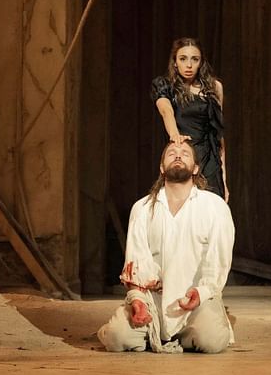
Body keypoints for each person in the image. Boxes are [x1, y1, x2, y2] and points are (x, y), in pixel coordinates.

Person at [97, 140, 235, 354]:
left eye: (185, 153)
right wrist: (138, 300)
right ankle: (157, 332)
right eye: (172, 153)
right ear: (162, 168)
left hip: (197, 299)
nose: (178, 155)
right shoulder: (143, 208)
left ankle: (196, 327)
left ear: (196, 169)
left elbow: (218, 260)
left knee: (211, 340)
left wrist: (202, 292)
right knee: (116, 338)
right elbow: (136, 260)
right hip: (153, 299)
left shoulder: (214, 207)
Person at [151, 37, 228, 202]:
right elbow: (166, 111)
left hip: (210, 162)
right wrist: (175, 135)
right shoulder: (165, 85)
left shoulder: (214, 87)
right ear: (175, 62)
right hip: (183, 158)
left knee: (210, 210)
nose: (189, 65)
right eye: (183, 59)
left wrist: (224, 179)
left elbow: (218, 136)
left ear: (201, 62)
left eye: (195, 59)